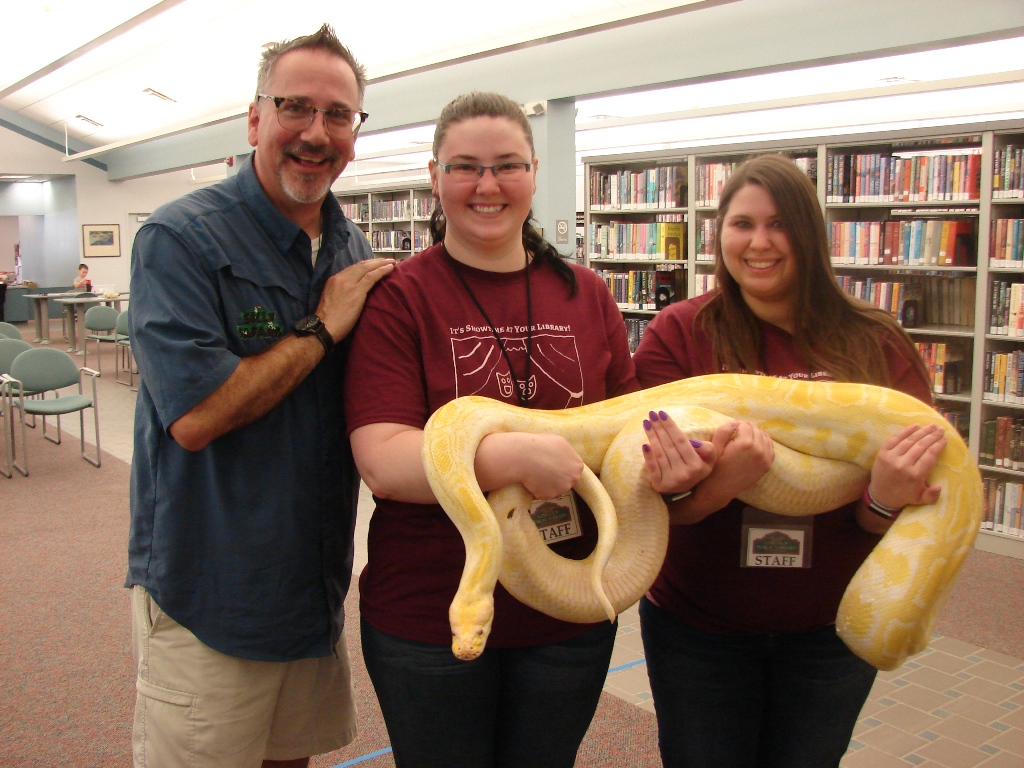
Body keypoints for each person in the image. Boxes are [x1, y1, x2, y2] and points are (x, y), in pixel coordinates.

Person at [344, 91, 640, 768]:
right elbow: (384, 462)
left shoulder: (587, 292)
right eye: (465, 167)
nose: (487, 185)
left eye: (507, 165)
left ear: (534, 172)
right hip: (430, 611)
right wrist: (513, 457)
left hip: (569, 611)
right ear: (435, 176)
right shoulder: (399, 298)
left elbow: (628, 431)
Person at [126, 24, 394, 768]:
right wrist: (321, 328)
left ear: (354, 133)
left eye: (337, 115)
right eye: (295, 107)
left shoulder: (350, 248)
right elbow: (195, 418)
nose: (315, 133)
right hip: (208, 591)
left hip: (310, 590)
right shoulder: (179, 239)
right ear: (254, 120)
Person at [632, 153, 947, 768]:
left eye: (779, 224)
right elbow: (652, 503)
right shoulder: (679, 334)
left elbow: (921, 501)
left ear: (810, 233)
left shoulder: (875, 342)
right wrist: (723, 485)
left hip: (828, 627)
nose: (759, 243)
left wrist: (882, 501)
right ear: (719, 233)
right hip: (700, 625)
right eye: (742, 224)